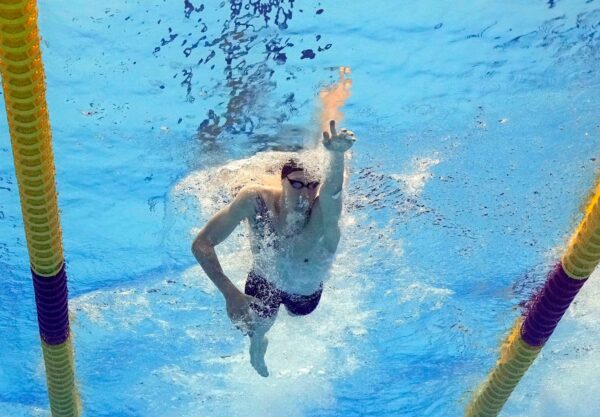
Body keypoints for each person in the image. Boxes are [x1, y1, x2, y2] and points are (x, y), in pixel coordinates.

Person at [191, 120, 356, 376]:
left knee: (298, 313)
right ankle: (258, 342)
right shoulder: (255, 200)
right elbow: (202, 244)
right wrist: (229, 292)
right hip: (264, 279)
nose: (305, 193)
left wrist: (336, 155)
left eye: (312, 185)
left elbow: (333, 192)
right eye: (297, 184)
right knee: (249, 325)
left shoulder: (322, 214)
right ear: (282, 181)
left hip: (304, 294)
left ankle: (262, 332)